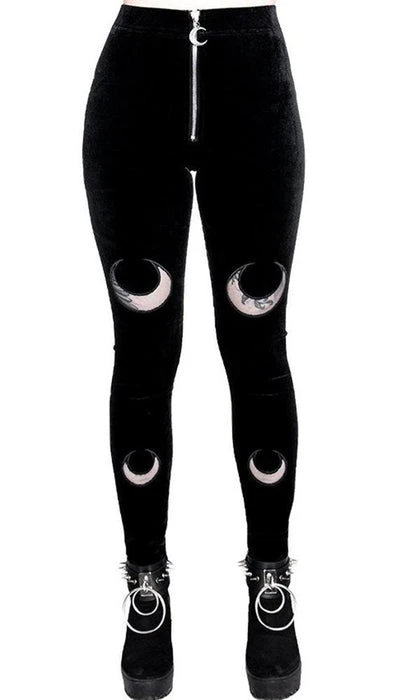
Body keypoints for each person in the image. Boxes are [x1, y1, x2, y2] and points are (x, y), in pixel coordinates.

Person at [82, 1, 305, 697]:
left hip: (253, 78)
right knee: (142, 357)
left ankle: (271, 579)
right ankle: (146, 585)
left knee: (258, 349)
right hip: (134, 80)